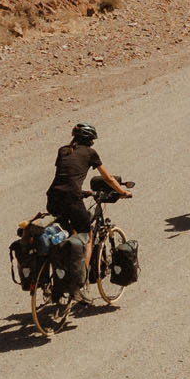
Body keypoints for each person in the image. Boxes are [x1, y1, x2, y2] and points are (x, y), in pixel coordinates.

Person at [45, 122, 132, 293]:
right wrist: (123, 192)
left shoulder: (63, 150)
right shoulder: (91, 153)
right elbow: (107, 178)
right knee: (88, 235)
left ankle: (60, 269)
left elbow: (66, 175)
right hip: (71, 199)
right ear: (91, 140)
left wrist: (82, 191)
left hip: (53, 198)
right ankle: (81, 281)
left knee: (67, 231)